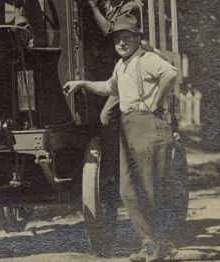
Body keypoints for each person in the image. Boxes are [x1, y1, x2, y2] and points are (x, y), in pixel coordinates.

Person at [63, 14, 179, 262]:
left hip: (149, 126)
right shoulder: (122, 65)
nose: (121, 43)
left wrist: (156, 102)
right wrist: (82, 83)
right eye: (117, 39)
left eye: (126, 38)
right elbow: (109, 88)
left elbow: (170, 73)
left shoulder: (147, 58)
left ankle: (161, 244)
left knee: (150, 189)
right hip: (128, 128)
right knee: (128, 190)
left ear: (138, 39)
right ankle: (149, 243)